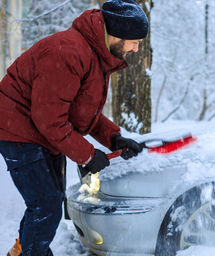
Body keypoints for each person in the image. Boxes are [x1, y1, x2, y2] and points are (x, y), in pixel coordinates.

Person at [0, 0, 148, 255]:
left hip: (43, 132)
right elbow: (49, 118)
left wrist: (113, 138)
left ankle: (21, 251)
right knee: (45, 205)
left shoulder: (94, 54)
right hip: (18, 131)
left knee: (49, 202)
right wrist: (88, 155)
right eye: (134, 41)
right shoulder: (67, 52)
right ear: (117, 35)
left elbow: (79, 112)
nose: (136, 49)